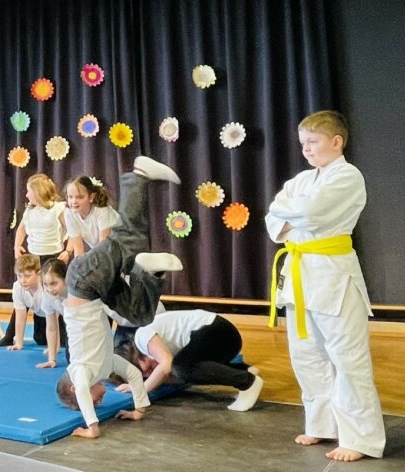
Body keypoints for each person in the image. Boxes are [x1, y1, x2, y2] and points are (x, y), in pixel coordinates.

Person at [264, 110, 384, 462]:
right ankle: (323, 424)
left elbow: (312, 213)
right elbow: (273, 219)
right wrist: (290, 211)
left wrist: (291, 211)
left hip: (334, 276)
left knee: (347, 358)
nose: (306, 149)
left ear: (336, 141)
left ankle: (360, 438)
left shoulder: (348, 176)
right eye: (303, 143)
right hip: (299, 274)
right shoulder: (302, 180)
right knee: (306, 354)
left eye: (313, 142)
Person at [52, 155, 184, 439]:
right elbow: (135, 376)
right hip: (96, 289)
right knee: (140, 315)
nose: (99, 401)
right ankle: (152, 271)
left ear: (74, 388)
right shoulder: (106, 365)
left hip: (83, 282)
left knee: (129, 240)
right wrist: (139, 409)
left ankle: (138, 174)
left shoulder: (80, 371)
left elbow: (83, 392)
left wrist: (92, 427)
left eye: (93, 401)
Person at [115, 310, 263, 411]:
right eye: (147, 375)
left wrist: (142, 388)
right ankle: (243, 370)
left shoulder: (141, 337)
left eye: (147, 369)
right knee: (185, 369)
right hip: (224, 340)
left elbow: (166, 365)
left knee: (181, 367)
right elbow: (179, 375)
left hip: (219, 331)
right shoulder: (162, 350)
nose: (151, 371)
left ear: (134, 359)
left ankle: (247, 382)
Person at [9, 174, 67, 346]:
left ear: (38, 192)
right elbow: (21, 229)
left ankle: (61, 334)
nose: (26, 195)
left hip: (52, 256)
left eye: (29, 191)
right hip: (34, 256)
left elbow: (72, 230)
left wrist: (68, 250)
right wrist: (17, 246)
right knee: (29, 292)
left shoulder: (58, 209)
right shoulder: (30, 211)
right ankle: (26, 334)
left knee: (53, 295)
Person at [63, 176, 119, 261]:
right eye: (70, 197)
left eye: (80, 197)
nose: (74, 201)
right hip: (104, 252)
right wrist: (79, 267)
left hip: (120, 249)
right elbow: (78, 250)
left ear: (91, 197)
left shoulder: (102, 211)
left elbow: (104, 247)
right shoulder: (69, 213)